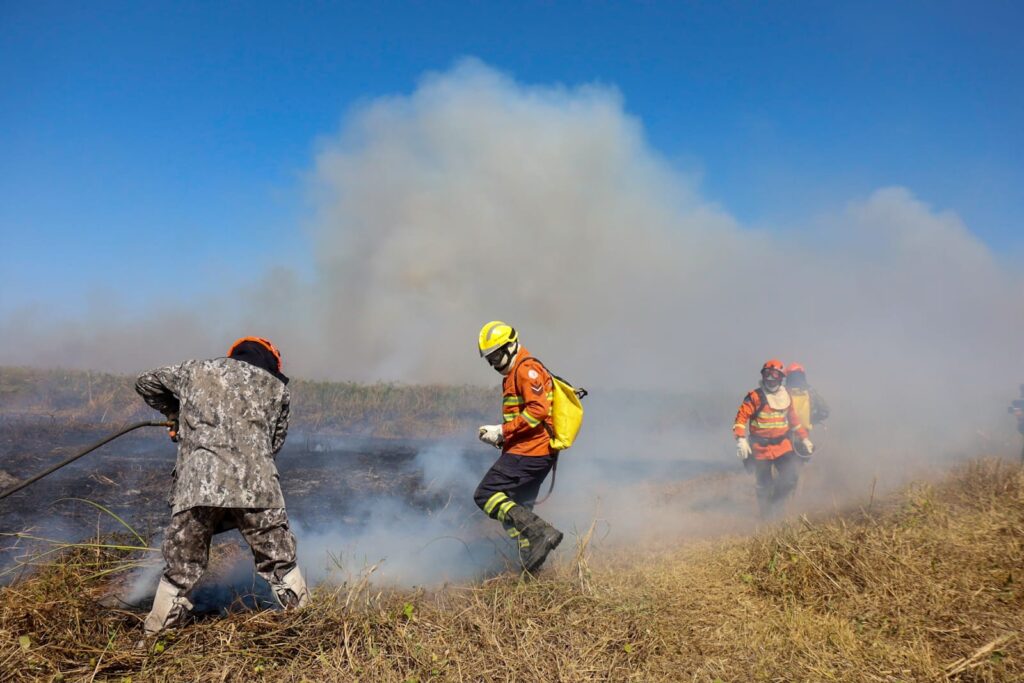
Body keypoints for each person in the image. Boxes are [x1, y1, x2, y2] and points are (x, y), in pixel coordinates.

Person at [135, 336, 309, 635]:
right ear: (271, 363)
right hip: (258, 490)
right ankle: (307, 626)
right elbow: (274, 444)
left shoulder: (194, 370)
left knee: (180, 569)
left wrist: (174, 412)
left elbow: (146, 382)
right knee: (281, 564)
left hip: (197, 488)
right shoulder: (277, 388)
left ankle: (155, 638)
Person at [474, 321, 563, 573]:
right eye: (489, 359)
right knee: (519, 508)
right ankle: (529, 570)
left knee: (485, 495)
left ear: (511, 346)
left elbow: (538, 410)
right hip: (532, 451)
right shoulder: (516, 371)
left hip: (530, 452)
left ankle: (541, 532)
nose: (494, 364)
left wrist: (503, 431)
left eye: (496, 356)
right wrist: (502, 437)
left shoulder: (526, 370)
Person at [733, 359, 812, 518]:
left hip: (783, 446)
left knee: (790, 478)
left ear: (781, 377)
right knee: (764, 485)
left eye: (774, 374)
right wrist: (740, 439)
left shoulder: (786, 396)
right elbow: (740, 419)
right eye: (767, 374)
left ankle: (776, 504)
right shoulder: (754, 397)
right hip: (760, 449)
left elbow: (793, 420)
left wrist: (804, 438)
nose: (770, 378)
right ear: (763, 375)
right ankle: (766, 517)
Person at [785, 362, 830, 454]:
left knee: (786, 458)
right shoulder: (810, 392)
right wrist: (812, 420)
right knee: (802, 455)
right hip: (804, 434)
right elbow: (825, 411)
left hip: (785, 434)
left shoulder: (782, 392)